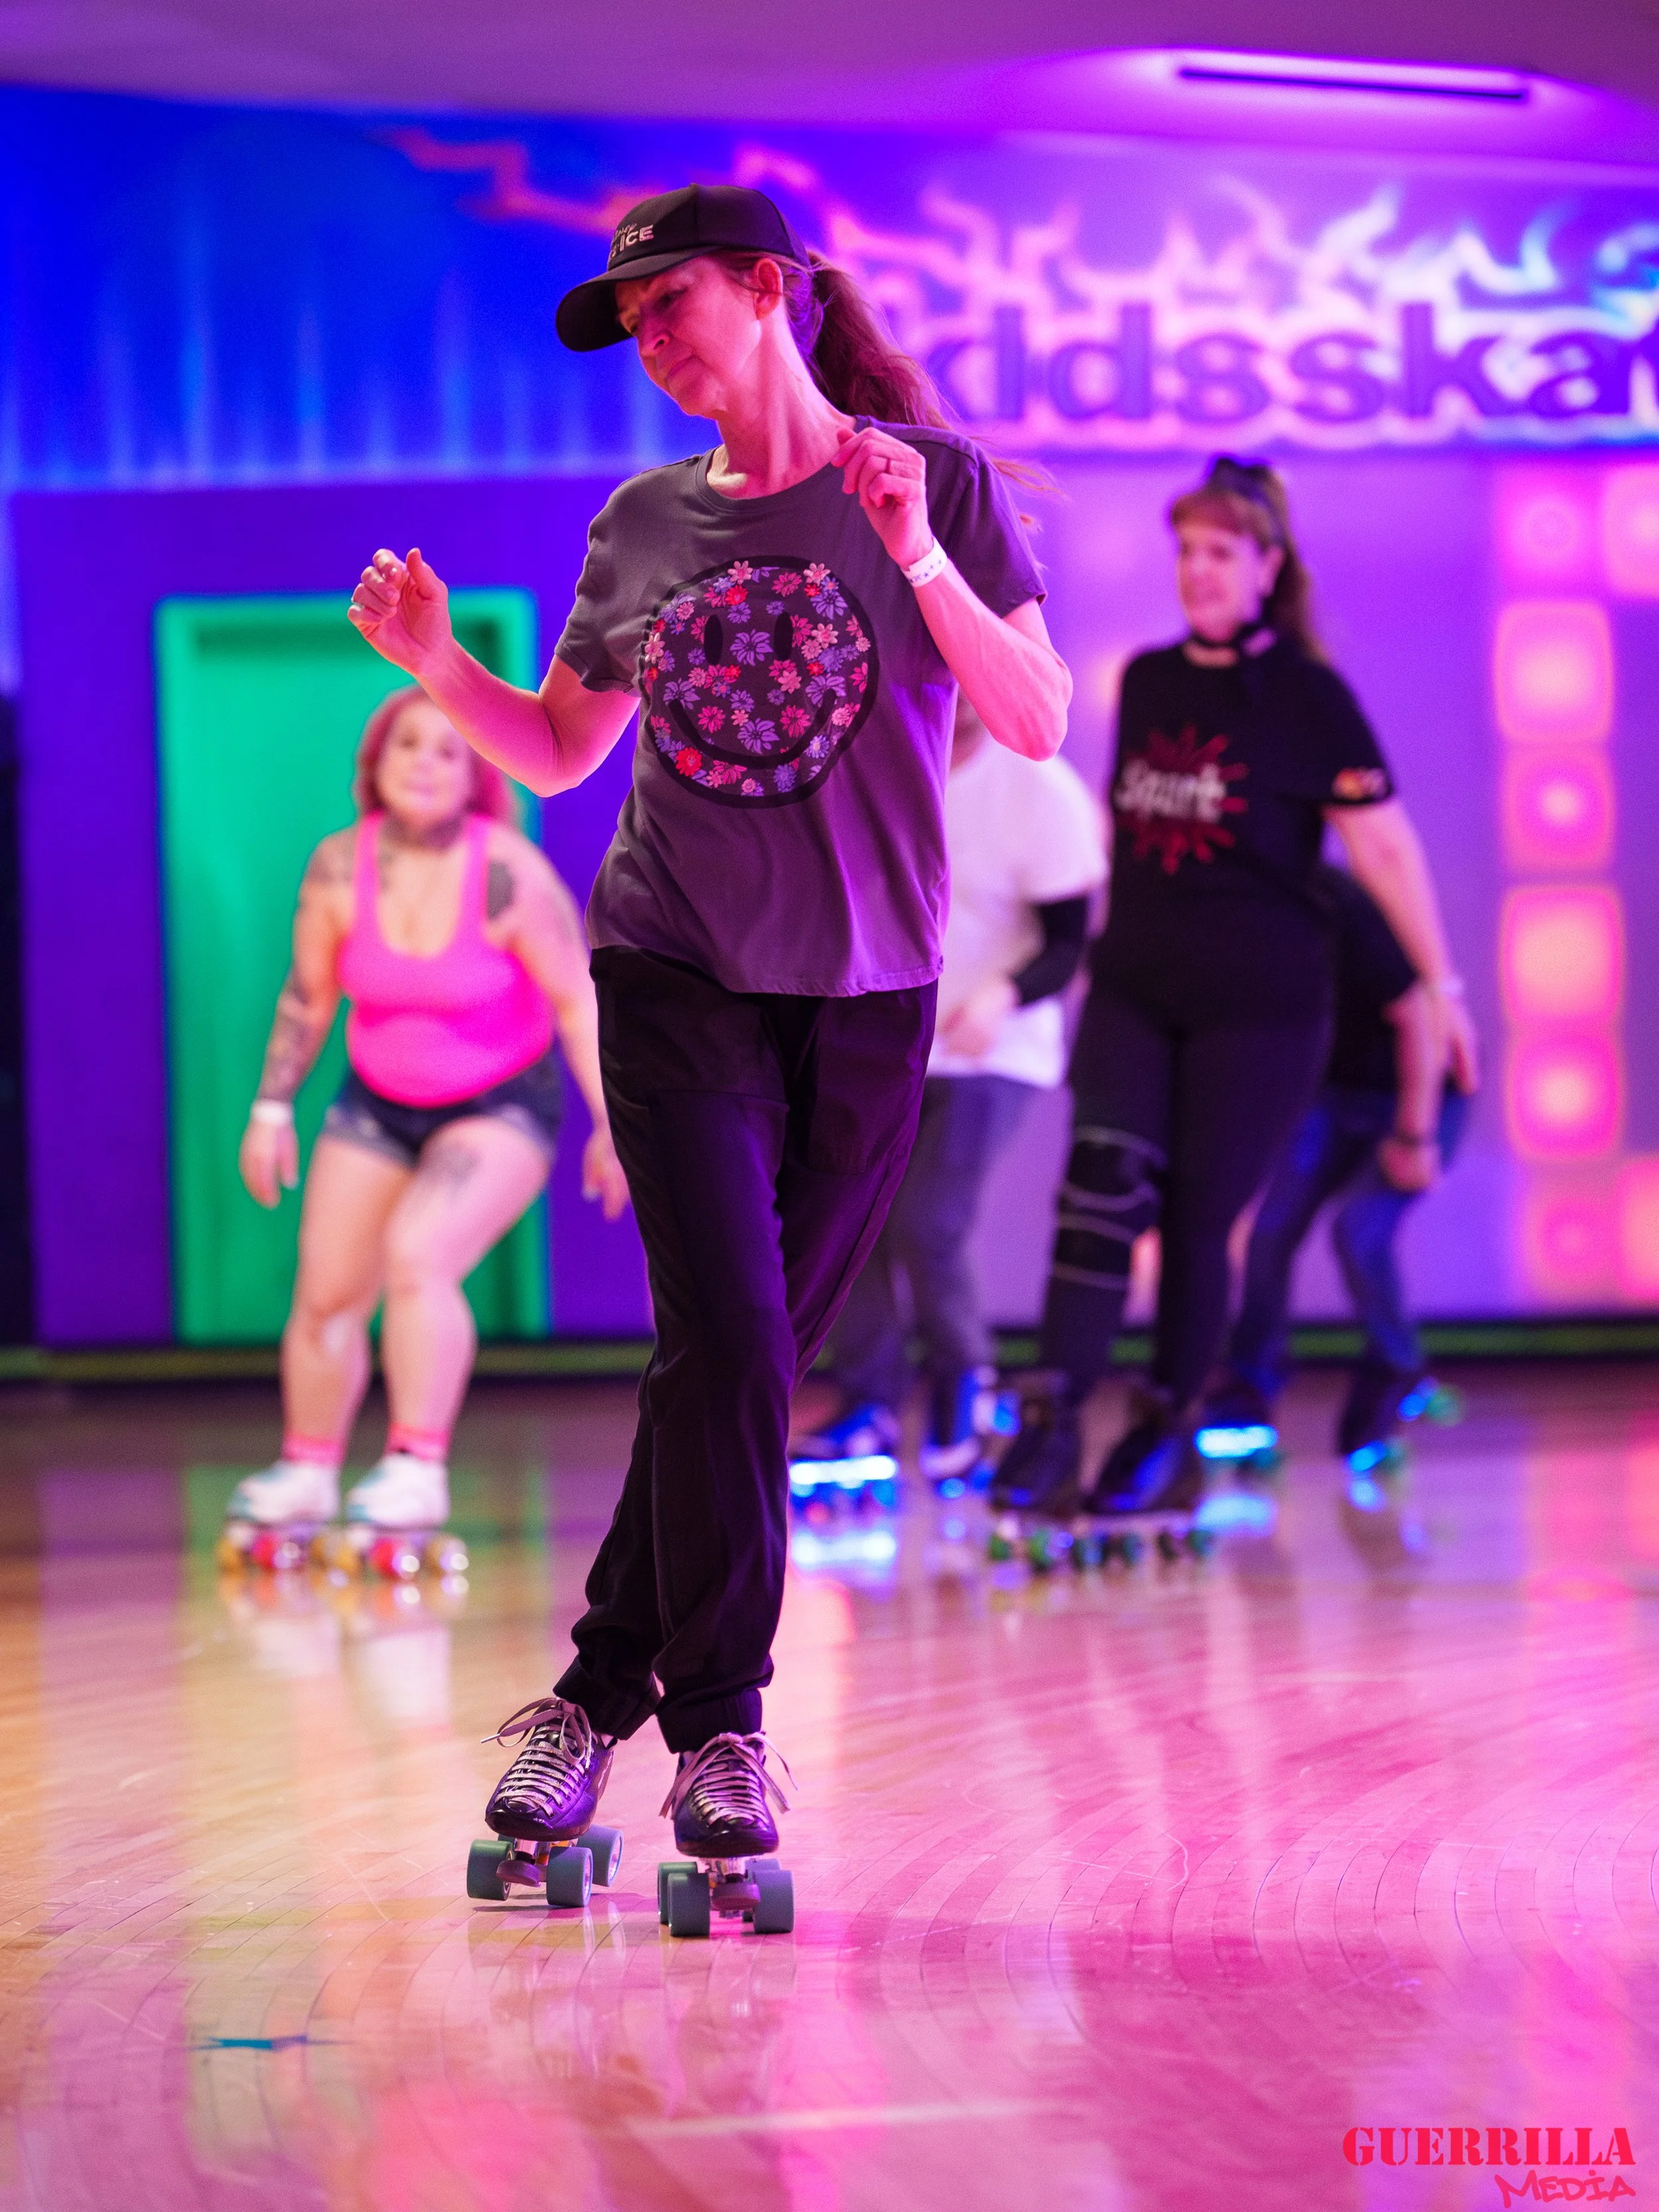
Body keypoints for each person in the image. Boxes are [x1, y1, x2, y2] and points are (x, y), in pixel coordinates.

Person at [345, 185, 1070, 1872]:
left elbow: (1031, 719)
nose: (655, 344)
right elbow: (557, 753)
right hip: (673, 974)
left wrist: (906, 548)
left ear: (772, 291)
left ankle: (589, 1704)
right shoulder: (642, 524)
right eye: (633, 325)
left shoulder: (932, 481)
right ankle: (725, 1736)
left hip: (869, 999)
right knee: (733, 1343)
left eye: (673, 305)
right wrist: (440, 665)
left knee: (727, 1372)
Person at [993, 454, 1477, 1521]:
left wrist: (1441, 989)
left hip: (1262, 1008)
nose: (1199, 572)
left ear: (1267, 566)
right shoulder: (1152, 680)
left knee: (1203, 1223)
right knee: (1100, 1195)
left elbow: (1386, 851)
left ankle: (1166, 1433)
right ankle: (1054, 1420)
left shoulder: (1308, 696)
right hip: (1137, 986)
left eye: (1221, 552)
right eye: (1186, 553)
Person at [227, 688, 628, 1542]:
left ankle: (415, 1463)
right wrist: (270, 1108)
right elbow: (309, 996)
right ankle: (306, 1468)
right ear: (377, 762)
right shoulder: (341, 865)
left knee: (418, 1254)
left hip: (499, 1105)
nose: (424, 763)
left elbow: (576, 1002)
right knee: (328, 1290)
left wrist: (612, 1126)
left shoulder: (509, 873)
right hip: (376, 1103)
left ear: (474, 775)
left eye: (448, 752)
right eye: (408, 745)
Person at [793, 690, 1106, 1493]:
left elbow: (1068, 945)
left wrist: (1003, 995)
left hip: (991, 1051)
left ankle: (968, 1384)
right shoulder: (872, 765)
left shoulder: (1038, 790)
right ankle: (869, 1398)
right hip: (884, 1041)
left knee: (928, 1220)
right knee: (844, 1217)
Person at [1202, 861, 1475, 1469]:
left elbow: (1418, 1023)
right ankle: (1250, 1385)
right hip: (1334, 1090)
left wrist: (1415, 1134)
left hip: (1423, 1088)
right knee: (1270, 1232)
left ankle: (1397, 1368)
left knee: (1360, 1232)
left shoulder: (1335, 905)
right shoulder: (1241, 925)